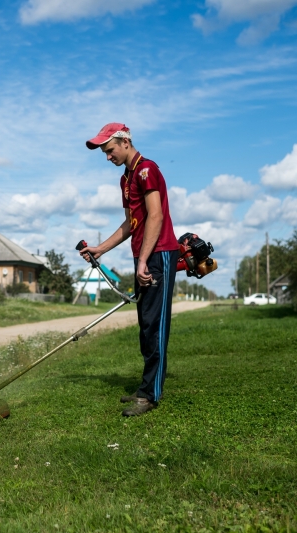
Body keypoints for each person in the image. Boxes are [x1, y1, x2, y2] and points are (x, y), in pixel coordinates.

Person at [79, 123, 179, 417]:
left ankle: (151, 395)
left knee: (155, 325)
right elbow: (131, 224)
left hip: (159, 253)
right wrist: (100, 249)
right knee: (145, 326)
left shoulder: (148, 170)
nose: (107, 157)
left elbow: (156, 216)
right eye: (104, 153)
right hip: (146, 255)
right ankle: (145, 387)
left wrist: (145, 259)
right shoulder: (126, 178)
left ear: (124, 141)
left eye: (109, 150)